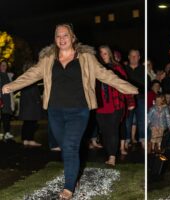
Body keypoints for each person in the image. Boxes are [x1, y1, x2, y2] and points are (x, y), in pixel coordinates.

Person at [2, 23, 138, 200]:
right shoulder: (49, 58)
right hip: (55, 111)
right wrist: (9, 87)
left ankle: (68, 187)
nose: (61, 39)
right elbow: (32, 74)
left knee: (71, 146)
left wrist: (129, 88)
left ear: (73, 37)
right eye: (58, 36)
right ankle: (74, 177)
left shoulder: (86, 57)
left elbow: (105, 74)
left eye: (65, 35)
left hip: (79, 110)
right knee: (65, 146)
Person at [96, 45, 135, 166]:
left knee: (113, 130)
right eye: (100, 53)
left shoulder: (117, 68)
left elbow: (125, 84)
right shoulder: (95, 69)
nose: (102, 56)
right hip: (99, 105)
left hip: (116, 104)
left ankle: (112, 156)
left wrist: (130, 101)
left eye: (105, 53)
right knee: (105, 131)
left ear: (110, 55)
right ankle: (109, 153)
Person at [19, 62, 42, 147]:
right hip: (31, 105)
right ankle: (30, 140)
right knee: (31, 123)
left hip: (28, 105)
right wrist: (37, 101)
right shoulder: (30, 78)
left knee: (27, 123)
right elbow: (31, 91)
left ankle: (26, 140)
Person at [0, 60, 15, 140]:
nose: (3, 66)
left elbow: (12, 90)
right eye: (2, 65)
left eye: (5, 65)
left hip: (7, 100)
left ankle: (7, 133)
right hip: (0, 99)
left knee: (6, 117)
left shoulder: (9, 76)